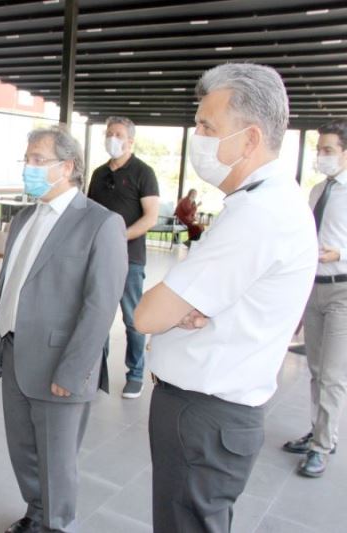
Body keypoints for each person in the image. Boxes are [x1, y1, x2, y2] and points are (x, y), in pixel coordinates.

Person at [134, 63, 318, 533]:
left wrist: (178, 308)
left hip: (205, 416)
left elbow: (148, 314)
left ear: (250, 138)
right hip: (209, 413)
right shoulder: (267, 201)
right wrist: (185, 308)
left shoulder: (260, 212)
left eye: (207, 127)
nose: (197, 137)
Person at [0, 126, 127, 533]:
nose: (27, 167)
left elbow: (100, 306)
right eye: (26, 159)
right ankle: (36, 514)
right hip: (14, 351)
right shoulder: (25, 217)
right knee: (23, 451)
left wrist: (73, 370)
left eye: (37, 160)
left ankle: (58, 525)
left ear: (67, 167)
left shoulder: (100, 223)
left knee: (57, 460)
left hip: (59, 363)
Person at [282, 119, 347, 477]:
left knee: (333, 375)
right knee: (317, 370)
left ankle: (322, 446)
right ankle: (319, 432)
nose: (321, 156)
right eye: (319, 149)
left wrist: (341, 254)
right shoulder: (318, 191)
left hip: (342, 290)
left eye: (328, 150)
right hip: (314, 287)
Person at [87, 116, 160, 399]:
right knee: (98, 315)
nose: (112, 139)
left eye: (118, 134)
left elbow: (150, 217)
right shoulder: (98, 174)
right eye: (109, 133)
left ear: (130, 140)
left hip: (130, 259)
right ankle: (96, 371)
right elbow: (89, 212)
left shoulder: (144, 172)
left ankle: (136, 374)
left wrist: (119, 237)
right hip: (99, 258)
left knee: (133, 319)